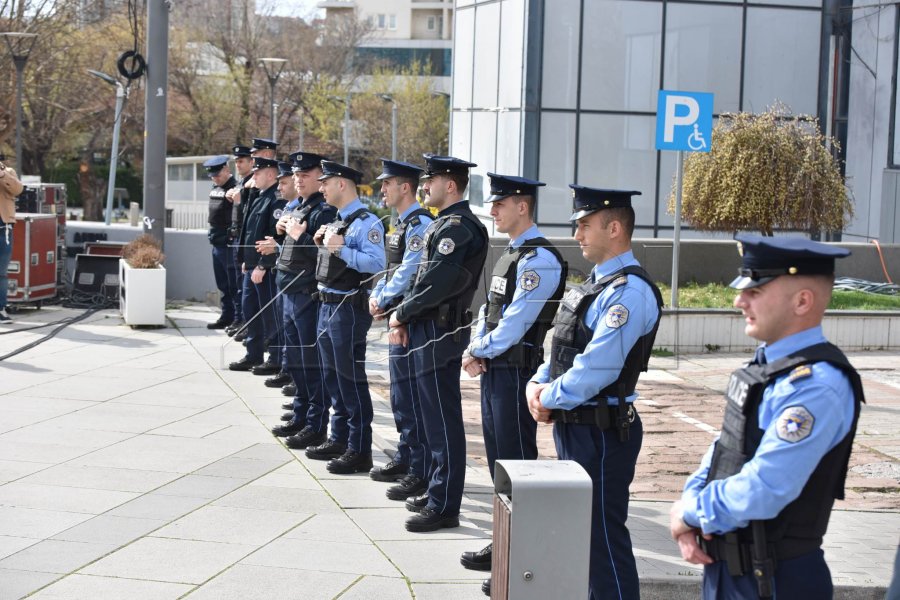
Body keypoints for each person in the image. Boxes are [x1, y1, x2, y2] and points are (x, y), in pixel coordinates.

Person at [669, 235, 862, 600]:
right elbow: (725, 447)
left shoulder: (817, 386)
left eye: (755, 291)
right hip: (729, 570)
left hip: (774, 579)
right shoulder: (764, 368)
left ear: (802, 301)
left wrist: (692, 512)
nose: (739, 300)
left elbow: (765, 488)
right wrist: (689, 508)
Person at [526, 186, 663, 600]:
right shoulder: (595, 285)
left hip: (602, 432)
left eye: (585, 225)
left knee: (601, 539)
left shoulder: (629, 293)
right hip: (577, 424)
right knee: (582, 539)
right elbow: (563, 346)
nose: (578, 234)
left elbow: (596, 368)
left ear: (615, 227)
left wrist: (548, 397)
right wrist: (539, 381)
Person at [459, 173, 566, 574]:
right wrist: (478, 347)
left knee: (518, 462)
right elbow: (490, 312)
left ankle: (522, 553)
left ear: (523, 206)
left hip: (516, 371)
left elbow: (517, 324)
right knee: (498, 462)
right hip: (495, 370)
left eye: (500, 204)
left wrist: (475, 350)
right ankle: (504, 540)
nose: (492, 211)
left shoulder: (540, 259)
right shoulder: (513, 253)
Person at [388, 154, 489, 533]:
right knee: (430, 416)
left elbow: (438, 283)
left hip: (440, 331)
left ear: (451, 185)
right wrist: (405, 315)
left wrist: (402, 313)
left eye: (431, 180)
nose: (424, 186)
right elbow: (419, 279)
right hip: (425, 328)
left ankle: (445, 505)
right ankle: (436, 490)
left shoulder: (459, 227)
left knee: (442, 420)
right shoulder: (443, 225)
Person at [304, 160, 385, 475]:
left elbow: (376, 263)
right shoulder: (338, 220)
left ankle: (359, 449)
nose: (321, 187)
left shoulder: (367, 223)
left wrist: (340, 250)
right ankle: (339, 439)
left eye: (326, 182)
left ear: (342, 184)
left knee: (350, 380)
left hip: (347, 308)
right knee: (332, 378)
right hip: (326, 303)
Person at [368, 158, 433, 501]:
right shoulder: (402, 223)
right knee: (400, 395)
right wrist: (381, 296)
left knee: (410, 397)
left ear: (404, 187)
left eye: (387, 184)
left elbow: (410, 272)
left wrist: (383, 298)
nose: (382, 190)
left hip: (410, 318)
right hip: (398, 315)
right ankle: (407, 455)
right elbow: (394, 269)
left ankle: (418, 468)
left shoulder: (420, 224)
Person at [261, 154, 336, 450]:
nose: (298, 179)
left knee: (310, 363)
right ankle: (301, 414)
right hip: (290, 292)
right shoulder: (301, 208)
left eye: (306, 174)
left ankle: (315, 424)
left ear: (320, 176)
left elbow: (325, 256)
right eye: (296, 174)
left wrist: (297, 236)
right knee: (295, 361)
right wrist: (284, 238)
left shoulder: (323, 211)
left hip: (307, 295)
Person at [228, 156, 286, 372]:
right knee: (250, 309)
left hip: (265, 268)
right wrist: (245, 260)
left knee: (269, 314)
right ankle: (253, 354)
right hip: (252, 265)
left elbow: (272, 237)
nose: (254, 177)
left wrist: (263, 264)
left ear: (271, 174)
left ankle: (275, 358)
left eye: (258, 173)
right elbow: (248, 230)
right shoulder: (259, 196)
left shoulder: (276, 199)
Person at [203, 155, 239, 330]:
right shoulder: (216, 188)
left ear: (226, 169)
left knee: (233, 285)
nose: (215, 178)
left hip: (228, 244)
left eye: (217, 174)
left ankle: (237, 319)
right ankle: (226, 316)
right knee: (222, 285)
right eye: (212, 176)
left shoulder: (235, 189)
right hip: (216, 242)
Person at [223, 144, 253, 338]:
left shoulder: (251, 183)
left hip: (245, 239)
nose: (238, 165)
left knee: (244, 285)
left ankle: (245, 322)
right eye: (236, 161)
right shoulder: (242, 183)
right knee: (236, 284)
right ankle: (239, 319)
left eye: (241, 161)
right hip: (236, 237)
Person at [0, 157, 24, 324]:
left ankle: (0, 309)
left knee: (1, 272)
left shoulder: (8, 172)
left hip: (3, 229)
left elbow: (17, 189)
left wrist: (1, 174)